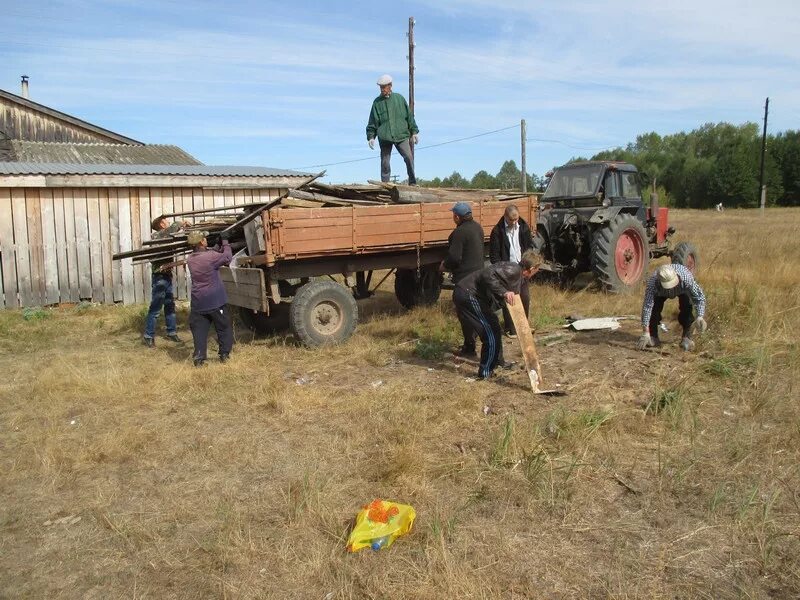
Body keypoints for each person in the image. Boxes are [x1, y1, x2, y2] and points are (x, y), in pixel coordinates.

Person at [454, 250, 543, 380]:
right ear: (532, 268)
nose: (536, 272)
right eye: (537, 269)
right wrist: (504, 292)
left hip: (473, 295)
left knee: (494, 327)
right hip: (468, 294)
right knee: (490, 333)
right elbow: (487, 274)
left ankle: (497, 361)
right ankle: (485, 373)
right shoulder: (513, 269)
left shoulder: (519, 276)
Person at [440, 201, 485, 357]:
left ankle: (469, 347)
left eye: (453, 215)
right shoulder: (478, 228)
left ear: (457, 216)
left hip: (464, 280)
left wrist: (444, 266)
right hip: (478, 277)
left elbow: (454, 257)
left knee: (464, 314)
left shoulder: (459, 233)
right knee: (474, 311)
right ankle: (472, 342)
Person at [186, 230, 234, 366]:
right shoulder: (211, 257)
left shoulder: (190, 259)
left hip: (198, 303)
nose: (206, 239)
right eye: (205, 238)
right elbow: (227, 258)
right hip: (215, 301)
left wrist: (217, 246)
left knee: (199, 331)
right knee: (223, 327)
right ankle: (224, 355)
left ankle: (199, 359)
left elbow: (210, 255)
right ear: (201, 242)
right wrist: (225, 241)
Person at [143, 215, 189, 348]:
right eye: (166, 221)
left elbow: (173, 232)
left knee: (169, 305)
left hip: (167, 276)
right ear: (162, 225)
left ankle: (171, 332)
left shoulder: (166, 236)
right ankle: (148, 335)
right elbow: (173, 227)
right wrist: (181, 223)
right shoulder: (157, 236)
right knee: (156, 307)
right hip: (159, 277)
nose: (168, 222)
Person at [638, 264, 707, 352]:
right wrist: (645, 332)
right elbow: (647, 307)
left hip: (682, 290)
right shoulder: (653, 284)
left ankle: (687, 337)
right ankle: (653, 336)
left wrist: (700, 316)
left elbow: (699, 297)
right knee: (654, 309)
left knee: (686, 307)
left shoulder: (686, 279)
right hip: (660, 293)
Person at [489, 204, 534, 338]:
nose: (514, 223)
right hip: (506, 271)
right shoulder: (497, 231)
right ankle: (511, 328)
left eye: (516, 220)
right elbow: (494, 255)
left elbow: (529, 247)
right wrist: (502, 271)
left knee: (525, 297)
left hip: (522, 268)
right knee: (510, 299)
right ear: (505, 217)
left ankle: (523, 325)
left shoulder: (524, 227)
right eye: (511, 220)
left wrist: (527, 264)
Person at [366, 74, 419, 185]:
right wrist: (371, 137)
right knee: (385, 162)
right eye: (380, 87)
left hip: (401, 135)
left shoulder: (399, 99)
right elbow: (372, 121)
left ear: (390, 86)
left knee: (409, 157)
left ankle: (413, 182)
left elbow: (409, 117)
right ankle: (385, 184)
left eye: (384, 87)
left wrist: (414, 132)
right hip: (385, 137)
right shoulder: (377, 103)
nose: (382, 89)